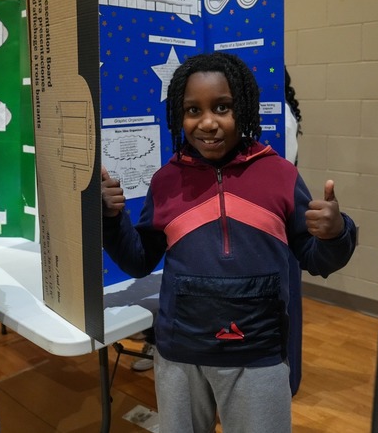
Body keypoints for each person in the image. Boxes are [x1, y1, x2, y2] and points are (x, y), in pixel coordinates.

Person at [101, 52, 357, 432]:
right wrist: (111, 219)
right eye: (193, 110)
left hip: (258, 352)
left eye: (222, 107)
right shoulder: (166, 181)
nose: (207, 122)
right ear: (178, 115)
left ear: (246, 108)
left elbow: (317, 259)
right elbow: (140, 259)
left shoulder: (280, 175)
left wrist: (337, 233)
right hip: (180, 352)